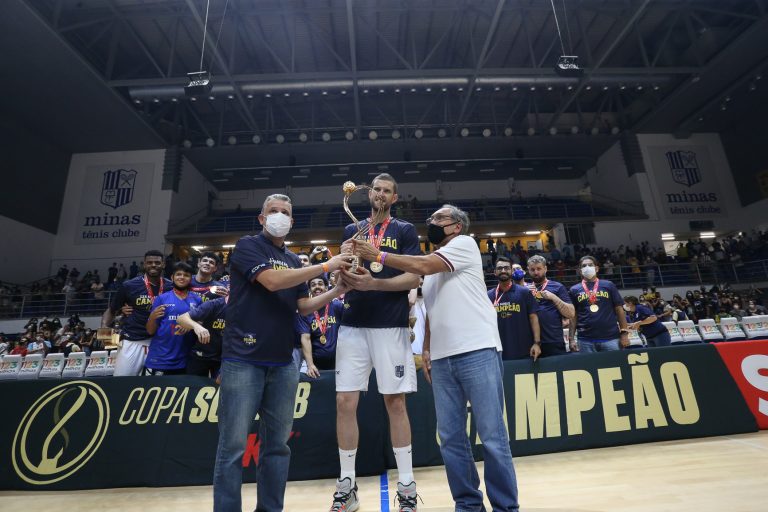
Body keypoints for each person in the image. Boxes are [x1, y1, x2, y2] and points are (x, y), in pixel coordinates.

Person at [351, 204, 520, 512]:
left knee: (492, 436)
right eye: (431, 218)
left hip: (477, 350)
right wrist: (427, 348)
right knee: (451, 438)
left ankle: (506, 507)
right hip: (442, 358)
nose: (432, 222)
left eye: (439, 218)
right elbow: (431, 310)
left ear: (456, 225)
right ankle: (468, 504)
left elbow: (424, 265)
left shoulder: (464, 244)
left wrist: (378, 255)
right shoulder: (432, 267)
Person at [213, 193, 352, 512]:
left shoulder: (292, 260)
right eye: (273, 211)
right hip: (243, 358)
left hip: (284, 360)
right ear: (262, 218)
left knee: (277, 447)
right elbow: (272, 281)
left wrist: (337, 290)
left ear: (292, 221)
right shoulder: (247, 246)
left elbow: (303, 306)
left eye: (285, 212)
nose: (279, 216)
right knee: (233, 448)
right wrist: (325, 266)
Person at [330, 173, 421, 512]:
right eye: (376, 189)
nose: (380, 194)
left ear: (394, 198)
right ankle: (347, 485)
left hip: (389, 325)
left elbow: (414, 278)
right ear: (369, 195)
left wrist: (375, 282)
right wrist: (340, 268)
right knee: (344, 402)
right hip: (352, 324)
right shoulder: (351, 229)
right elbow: (342, 277)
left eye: (387, 190)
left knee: (395, 403)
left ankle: (407, 487)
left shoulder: (404, 230)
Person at [102, 250, 172, 376]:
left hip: (161, 343)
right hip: (133, 341)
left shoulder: (171, 286)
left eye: (157, 262)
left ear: (163, 264)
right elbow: (112, 309)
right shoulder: (129, 285)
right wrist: (104, 334)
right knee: (122, 381)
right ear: (144, 264)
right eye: (149, 262)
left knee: (157, 384)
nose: (153, 265)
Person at [144, 262, 202, 375]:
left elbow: (201, 324)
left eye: (186, 275)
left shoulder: (197, 300)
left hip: (186, 358)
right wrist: (152, 317)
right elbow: (150, 331)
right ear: (172, 277)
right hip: (161, 358)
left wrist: (191, 326)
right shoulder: (162, 299)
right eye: (178, 274)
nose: (182, 277)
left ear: (191, 279)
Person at [568, 256, 629, 353]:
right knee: (589, 364)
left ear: (596, 268)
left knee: (614, 363)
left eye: (590, 265)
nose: (587, 267)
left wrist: (624, 333)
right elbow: (573, 316)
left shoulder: (609, 285)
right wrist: (571, 339)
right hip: (585, 340)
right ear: (580, 271)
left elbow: (619, 310)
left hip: (611, 338)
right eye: (584, 266)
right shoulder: (574, 290)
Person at [489, 258, 540, 360]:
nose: (503, 270)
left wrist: (537, 343)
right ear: (495, 272)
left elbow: (533, 318)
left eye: (506, 268)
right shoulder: (489, 295)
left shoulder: (524, 292)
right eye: (500, 268)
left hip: (525, 349)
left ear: (512, 271)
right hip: (498, 351)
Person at [525, 255, 575, 357]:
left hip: (553, 341)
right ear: (528, 270)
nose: (536, 272)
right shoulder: (525, 290)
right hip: (530, 342)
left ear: (545, 268)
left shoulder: (558, 287)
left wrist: (553, 297)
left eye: (539, 269)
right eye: (532, 269)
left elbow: (571, 313)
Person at [177, 294, 228, 379]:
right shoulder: (213, 304)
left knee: (221, 386)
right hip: (201, 355)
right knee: (193, 385)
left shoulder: (245, 309)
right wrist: (196, 326)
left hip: (226, 359)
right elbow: (181, 318)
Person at [304, 276, 343, 371]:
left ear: (326, 288)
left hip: (340, 362)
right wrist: (310, 365)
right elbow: (305, 339)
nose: (317, 287)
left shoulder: (337, 306)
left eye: (320, 284)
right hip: (316, 365)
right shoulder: (306, 311)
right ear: (309, 290)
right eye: (313, 285)